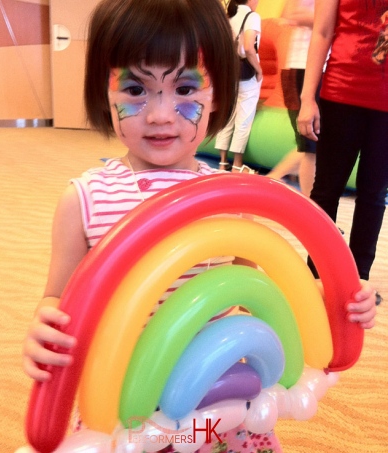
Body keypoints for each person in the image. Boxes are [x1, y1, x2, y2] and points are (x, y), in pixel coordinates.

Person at [21, 0, 377, 452]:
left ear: (218, 96)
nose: (160, 115)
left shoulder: (233, 200)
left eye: (186, 89)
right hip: (124, 406)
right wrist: (42, 329)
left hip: (215, 401)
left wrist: (334, 303)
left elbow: (257, 295)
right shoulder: (85, 200)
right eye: (135, 88)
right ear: (102, 91)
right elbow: (58, 299)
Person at [297, 0, 388, 281]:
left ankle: (357, 279)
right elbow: (322, 32)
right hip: (340, 92)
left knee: (374, 195)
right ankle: (315, 276)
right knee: (326, 190)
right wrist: (307, 98)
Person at [266, 0, 319, 197]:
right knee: (310, 144)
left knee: (312, 144)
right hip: (304, 68)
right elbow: (290, 14)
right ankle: (312, 207)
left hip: (313, 68)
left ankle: (272, 178)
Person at [216, 0, 263, 173]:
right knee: (244, 118)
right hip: (246, 72)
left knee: (228, 115)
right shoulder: (252, 16)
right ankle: (237, 164)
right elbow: (249, 47)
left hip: (229, 71)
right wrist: (259, 70)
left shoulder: (228, 16)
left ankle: (222, 162)